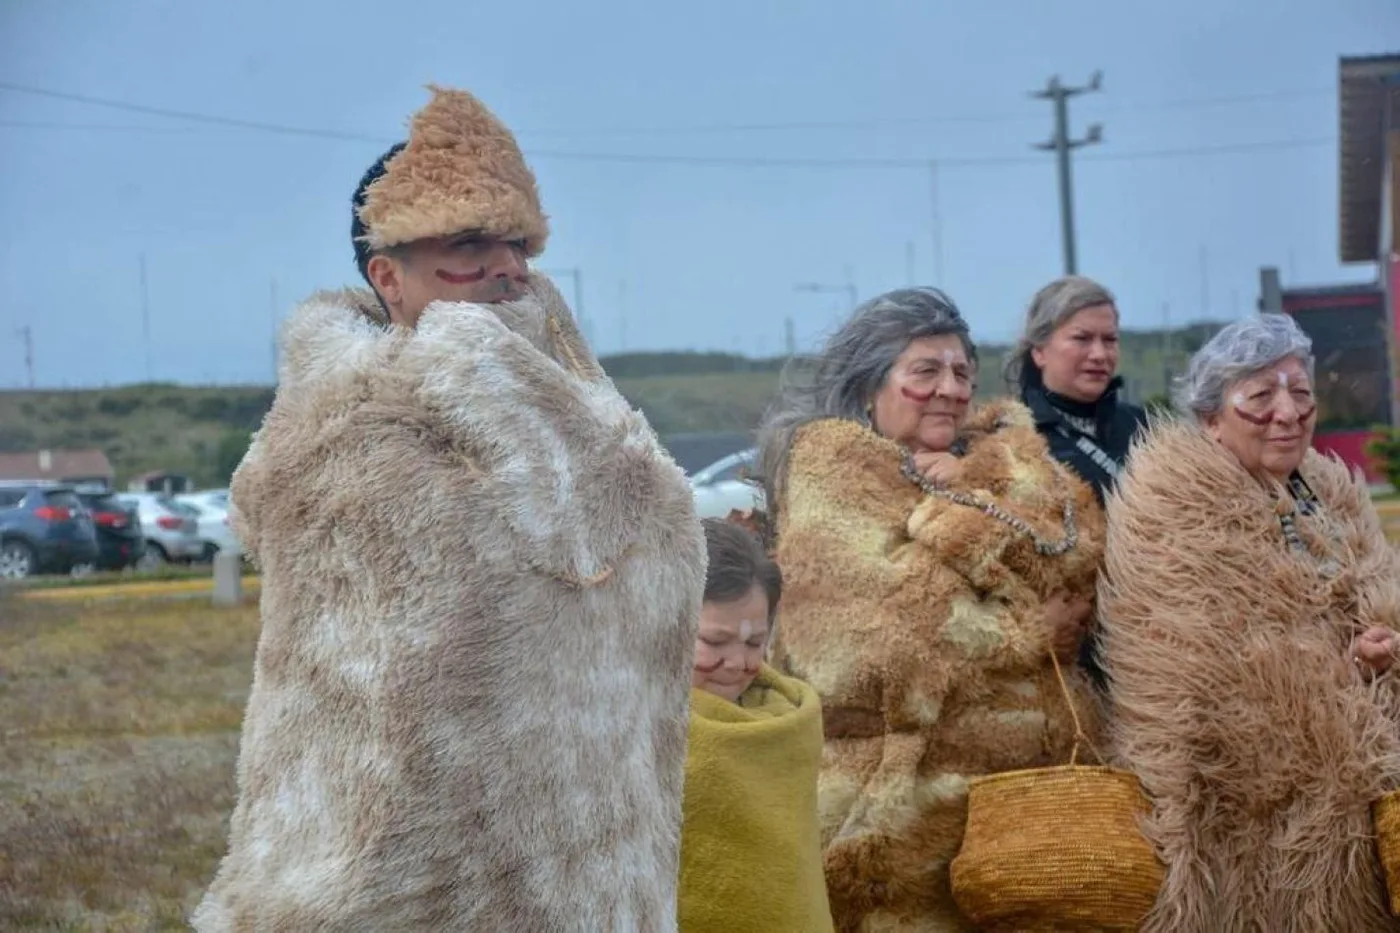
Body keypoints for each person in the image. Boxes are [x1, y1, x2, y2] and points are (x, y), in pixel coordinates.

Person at [193, 86, 706, 931]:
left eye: (517, 245)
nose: (507, 268)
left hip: (584, 865)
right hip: (409, 882)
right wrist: (479, 366)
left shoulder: (564, 401)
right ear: (386, 276)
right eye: (469, 245)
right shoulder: (341, 432)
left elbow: (642, 544)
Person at [756, 287, 1105, 931]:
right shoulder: (833, 476)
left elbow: (1075, 560)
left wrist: (968, 496)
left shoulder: (1001, 462)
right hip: (904, 828)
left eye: (961, 372)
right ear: (869, 388)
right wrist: (1030, 630)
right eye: (924, 371)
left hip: (1035, 822)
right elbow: (871, 648)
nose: (949, 388)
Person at [1099, 313, 1400, 931]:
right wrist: (1342, 673)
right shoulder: (1174, 504)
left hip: (1362, 791)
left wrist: (1378, 651)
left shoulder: (1331, 490)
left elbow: (1373, 591)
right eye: (1260, 396)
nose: (1287, 413)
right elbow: (1197, 670)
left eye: (1301, 393)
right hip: (1244, 811)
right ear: (1211, 418)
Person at [677, 518, 834, 932]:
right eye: (713, 642)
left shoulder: (789, 724)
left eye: (753, 643)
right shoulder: (622, 730)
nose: (737, 664)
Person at [1006, 275, 1147, 690]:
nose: (1099, 354)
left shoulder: (1144, 427)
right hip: (1067, 662)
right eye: (1082, 339)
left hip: (1147, 644)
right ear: (1039, 350)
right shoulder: (1011, 438)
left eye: (1110, 339)